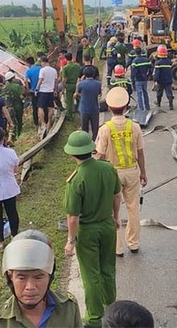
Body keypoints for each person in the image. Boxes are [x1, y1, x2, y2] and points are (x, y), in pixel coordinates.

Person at [64, 130, 122, 328]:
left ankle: (95, 318)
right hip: (107, 226)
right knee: (108, 268)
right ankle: (112, 308)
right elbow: (116, 195)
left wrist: (71, 241)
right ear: (91, 149)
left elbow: (73, 217)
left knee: (91, 275)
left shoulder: (76, 180)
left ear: (72, 155)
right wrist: (116, 217)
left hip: (87, 231)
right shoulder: (108, 169)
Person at [0, 229, 83, 327]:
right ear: (10, 277)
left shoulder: (69, 308)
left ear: (49, 275)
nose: (30, 287)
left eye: (38, 277)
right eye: (21, 278)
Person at [95, 87, 148, 257]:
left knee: (112, 211)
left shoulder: (105, 129)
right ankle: (133, 243)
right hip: (132, 172)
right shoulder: (135, 127)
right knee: (133, 209)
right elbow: (140, 152)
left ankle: (117, 247)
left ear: (109, 108)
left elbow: (100, 155)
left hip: (112, 174)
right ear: (126, 107)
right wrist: (143, 173)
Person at [75, 66, 102, 141]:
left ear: (84, 74)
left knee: (84, 128)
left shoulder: (80, 84)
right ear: (93, 74)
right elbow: (99, 93)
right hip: (94, 108)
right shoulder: (98, 84)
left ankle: (86, 143)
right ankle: (95, 143)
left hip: (84, 109)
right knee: (95, 129)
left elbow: (77, 94)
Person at [35, 55, 58, 138]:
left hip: (43, 91)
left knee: (40, 107)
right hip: (51, 91)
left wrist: (36, 89)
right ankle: (49, 123)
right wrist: (55, 90)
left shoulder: (42, 70)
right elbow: (56, 81)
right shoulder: (54, 70)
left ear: (43, 62)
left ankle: (43, 123)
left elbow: (40, 80)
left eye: (41, 62)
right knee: (50, 107)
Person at [153, 44, 174, 110]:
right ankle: (171, 105)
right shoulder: (169, 62)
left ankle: (158, 103)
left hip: (160, 81)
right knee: (169, 93)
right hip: (168, 80)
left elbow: (157, 73)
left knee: (159, 93)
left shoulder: (158, 63)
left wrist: (155, 80)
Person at [61, 52, 81, 119]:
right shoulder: (77, 66)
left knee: (69, 101)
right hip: (77, 84)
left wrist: (63, 88)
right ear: (72, 57)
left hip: (69, 85)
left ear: (66, 59)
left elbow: (64, 79)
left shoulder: (65, 68)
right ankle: (80, 111)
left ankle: (69, 115)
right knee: (79, 99)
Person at [4, 72, 25, 139]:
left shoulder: (6, 87)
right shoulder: (17, 86)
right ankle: (19, 133)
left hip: (9, 106)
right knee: (19, 119)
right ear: (13, 78)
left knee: (12, 121)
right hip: (18, 105)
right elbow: (21, 96)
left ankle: (12, 136)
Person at [130, 47, 152, 111]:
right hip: (145, 79)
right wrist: (148, 75)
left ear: (136, 53)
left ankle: (141, 108)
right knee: (145, 93)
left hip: (138, 79)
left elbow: (133, 71)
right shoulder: (147, 60)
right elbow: (151, 68)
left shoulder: (135, 61)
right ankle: (147, 107)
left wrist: (133, 79)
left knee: (139, 94)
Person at [24, 56, 42, 128]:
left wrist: (28, 89)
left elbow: (25, 80)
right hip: (41, 90)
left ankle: (36, 123)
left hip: (33, 91)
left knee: (35, 108)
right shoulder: (40, 68)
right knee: (42, 106)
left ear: (28, 63)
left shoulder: (28, 71)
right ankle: (45, 121)